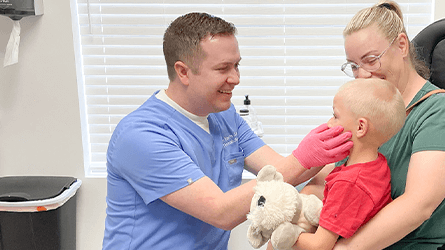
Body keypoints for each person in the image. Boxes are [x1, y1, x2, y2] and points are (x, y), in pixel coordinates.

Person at [101, 12, 353, 250]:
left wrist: (345, 128)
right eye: (223, 69)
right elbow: (220, 212)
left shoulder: (224, 115)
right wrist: (303, 157)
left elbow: (280, 170)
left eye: (237, 66)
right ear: (183, 72)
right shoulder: (141, 135)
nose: (236, 78)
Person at [301, 1, 445, 250]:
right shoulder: (359, 112)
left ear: (401, 45)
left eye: (371, 60)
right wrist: (295, 219)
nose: (363, 75)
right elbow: (322, 181)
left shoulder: (436, 112)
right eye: (354, 66)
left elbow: (418, 206)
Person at [291, 78, 405, 250]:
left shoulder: (349, 184)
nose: (329, 123)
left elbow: (319, 245)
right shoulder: (377, 163)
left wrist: (282, 233)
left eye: (335, 116)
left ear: (360, 127)